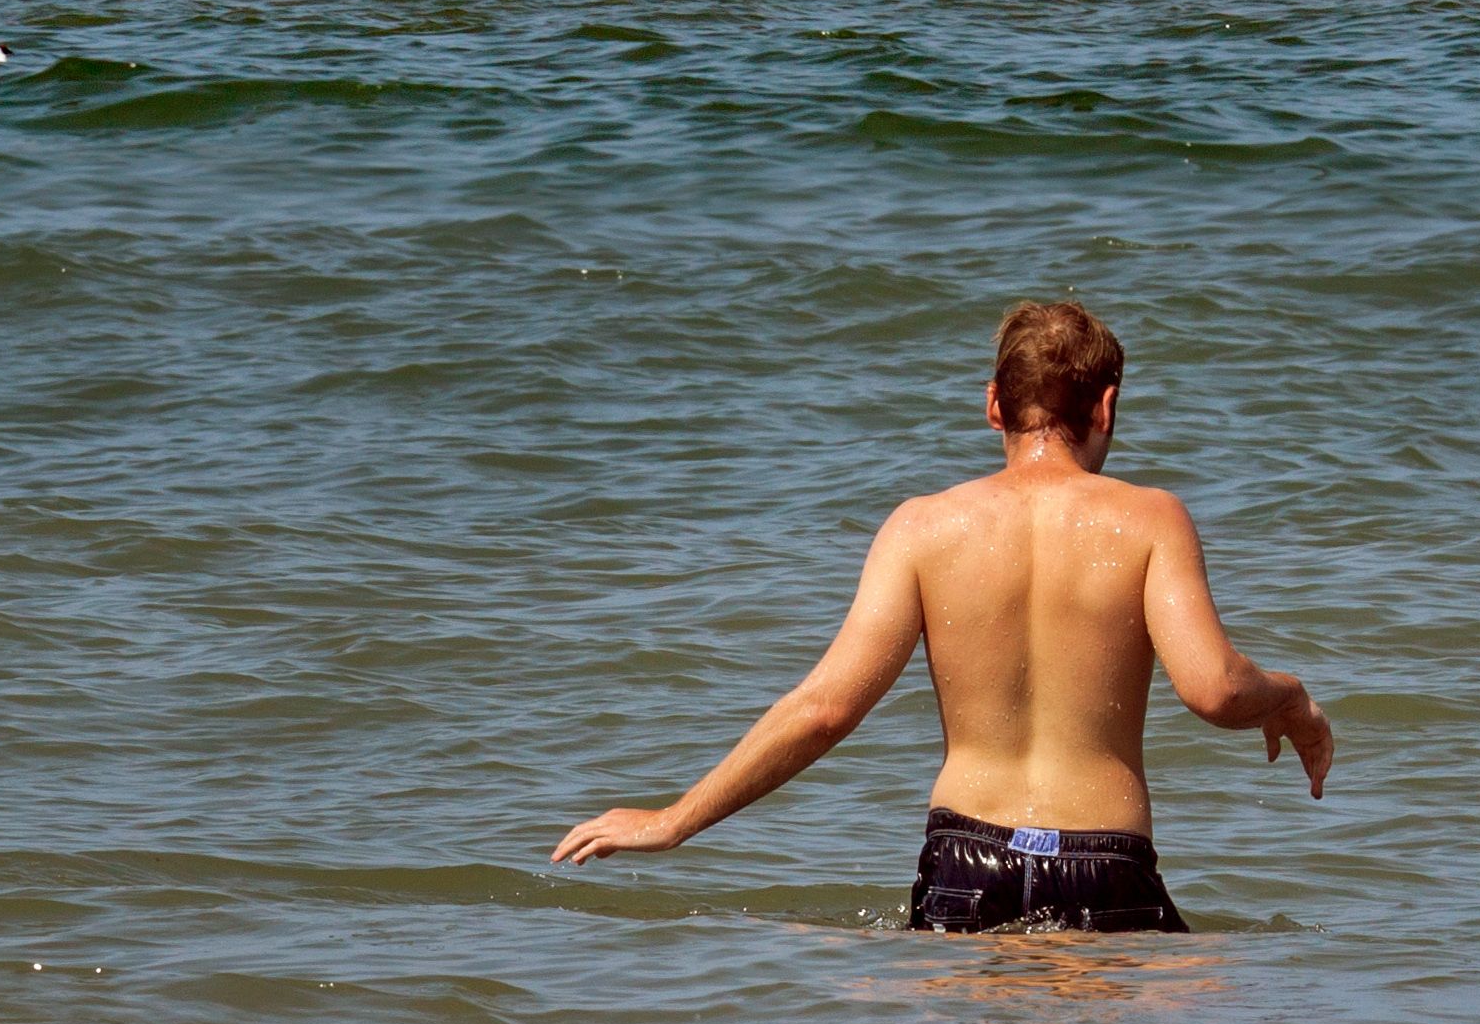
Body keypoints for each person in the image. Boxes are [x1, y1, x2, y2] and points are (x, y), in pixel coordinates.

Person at [554, 301, 1332, 932]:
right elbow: (1215, 690)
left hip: (967, 863)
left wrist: (672, 819)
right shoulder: (1152, 519)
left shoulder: (922, 527)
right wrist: (1290, 697)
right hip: (1108, 866)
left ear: (993, 405)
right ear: (1107, 406)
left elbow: (823, 710)